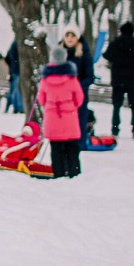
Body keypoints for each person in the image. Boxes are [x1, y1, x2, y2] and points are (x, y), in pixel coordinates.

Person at [38, 46, 86, 178]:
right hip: (69, 117)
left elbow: (41, 99)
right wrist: (70, 106)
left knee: (56, 149)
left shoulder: (45, 79)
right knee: (72, 148)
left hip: (52, 118)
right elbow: (79, 98)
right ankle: (74, 173)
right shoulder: (71, 78)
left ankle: (58, 173)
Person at [102, 21, 134, 139]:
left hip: (118, 79)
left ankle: (115, 128)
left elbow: (106, 55)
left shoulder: (115, 44)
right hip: (133, 80)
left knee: (116, 106)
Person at [63, 28, 96, 141]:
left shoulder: (84, 53)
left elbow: (90, 76)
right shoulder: (61, 52)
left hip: (80, 94)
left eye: (73, 35)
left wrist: (76, 87)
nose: (70, 38)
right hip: (62, 94)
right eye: (67, 35)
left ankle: (79, 143)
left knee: (80, 119)